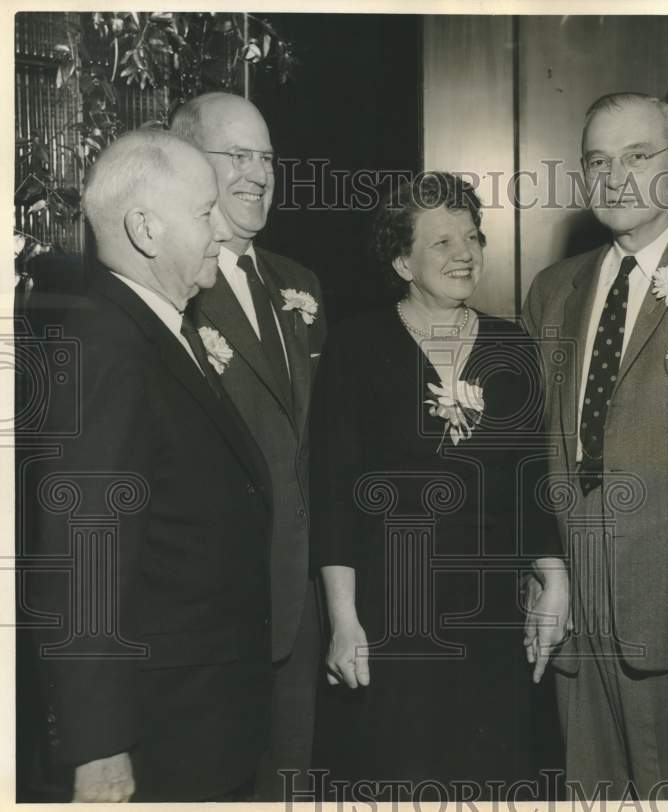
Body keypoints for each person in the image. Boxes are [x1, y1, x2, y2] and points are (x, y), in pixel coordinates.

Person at [522, 92, 668, 799]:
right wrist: (544, 565)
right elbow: (531, 448)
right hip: (569, 606)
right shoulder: (554, 290)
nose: (614, 176)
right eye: (598, 161)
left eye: (636, 155)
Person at [29, 129, 273, 802]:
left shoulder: (159, 327)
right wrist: (99, 747)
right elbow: (83, 560)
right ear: (145, 228)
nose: (220, 232)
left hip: (201, 716)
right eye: (203, 213)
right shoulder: (108, 343)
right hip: (161, 730)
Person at [312, 172, 568, 798]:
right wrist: (343, 620)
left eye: (474, 237)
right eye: (443, 242)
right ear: (402, 260)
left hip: (492, 622)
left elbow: (531, 484)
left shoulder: (513, 346)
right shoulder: (355, 347)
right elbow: (334, 494)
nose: (466, 253)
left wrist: (554, 578)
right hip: (392, 617)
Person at [170, 92, 328, 800]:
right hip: (213, 619)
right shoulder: (170, 290)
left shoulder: (302, 285)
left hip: (301, 607)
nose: (257, 173)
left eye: (265, 157)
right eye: (236, 155)